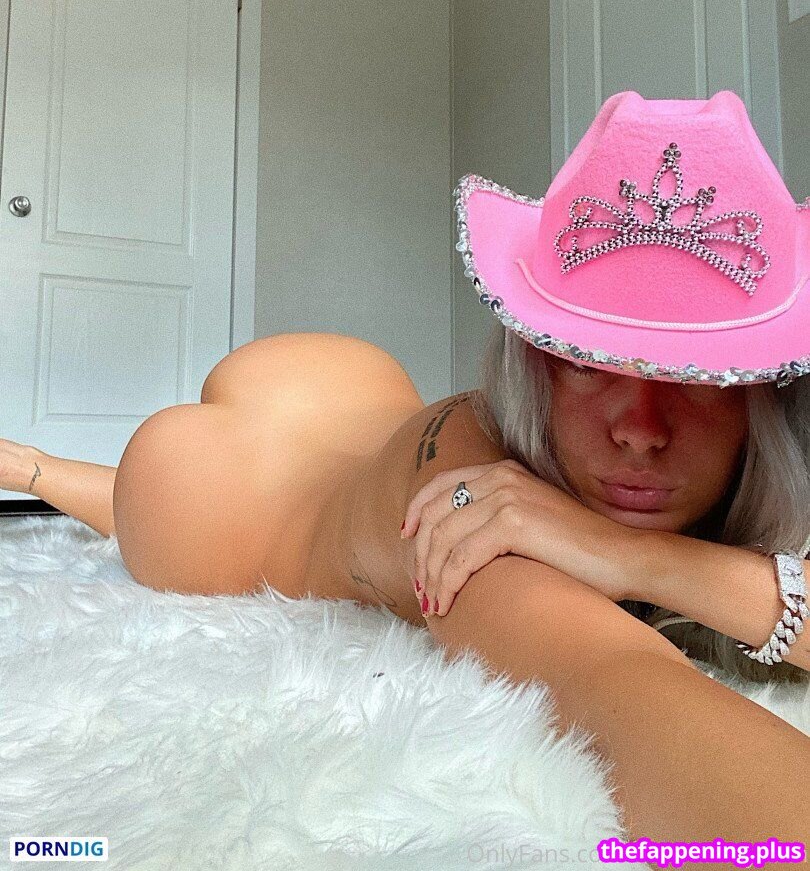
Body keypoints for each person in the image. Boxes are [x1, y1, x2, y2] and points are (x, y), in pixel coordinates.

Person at [2, 89, 809, 854]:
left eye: (701, 376)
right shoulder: (474, 505)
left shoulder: (750, 471)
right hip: (219, 489)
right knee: (138, 510)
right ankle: (37, 471)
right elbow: (616, 685)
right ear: (534, 365)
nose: (640, 429)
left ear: (767, 393)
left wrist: (638, 557)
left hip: (363, 390)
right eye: (588, 362)